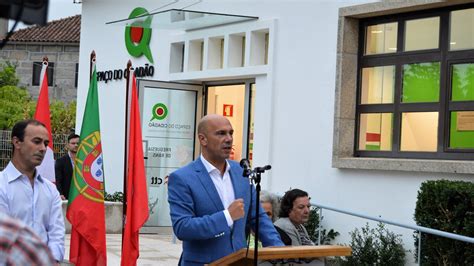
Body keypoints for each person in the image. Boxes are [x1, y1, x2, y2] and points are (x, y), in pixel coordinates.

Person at [168, 114, 284, 265]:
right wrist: (227, 216)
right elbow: (183, 228)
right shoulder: (182, 178)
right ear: (203, 139)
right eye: (221, 133)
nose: (229, 139)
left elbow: (258, 218)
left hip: (239, 262)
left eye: (231, 133)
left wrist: (279, 251)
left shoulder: (242, 172)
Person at [0, 119, 65, 262]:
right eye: (37, 141)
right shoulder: (2, 185)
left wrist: (51, 261)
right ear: (17, 142)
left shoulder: (50, 189)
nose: (43, 148)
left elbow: (56, 234)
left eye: (46, 143)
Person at [55, 133, 79, 200]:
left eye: (78, 143)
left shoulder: (85, 161)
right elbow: (58, 180)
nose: (76, 145)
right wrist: (60, 194)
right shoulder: (60, 161)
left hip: (82, 198)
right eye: (73, 143)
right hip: (66, 197)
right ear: (68, 145)